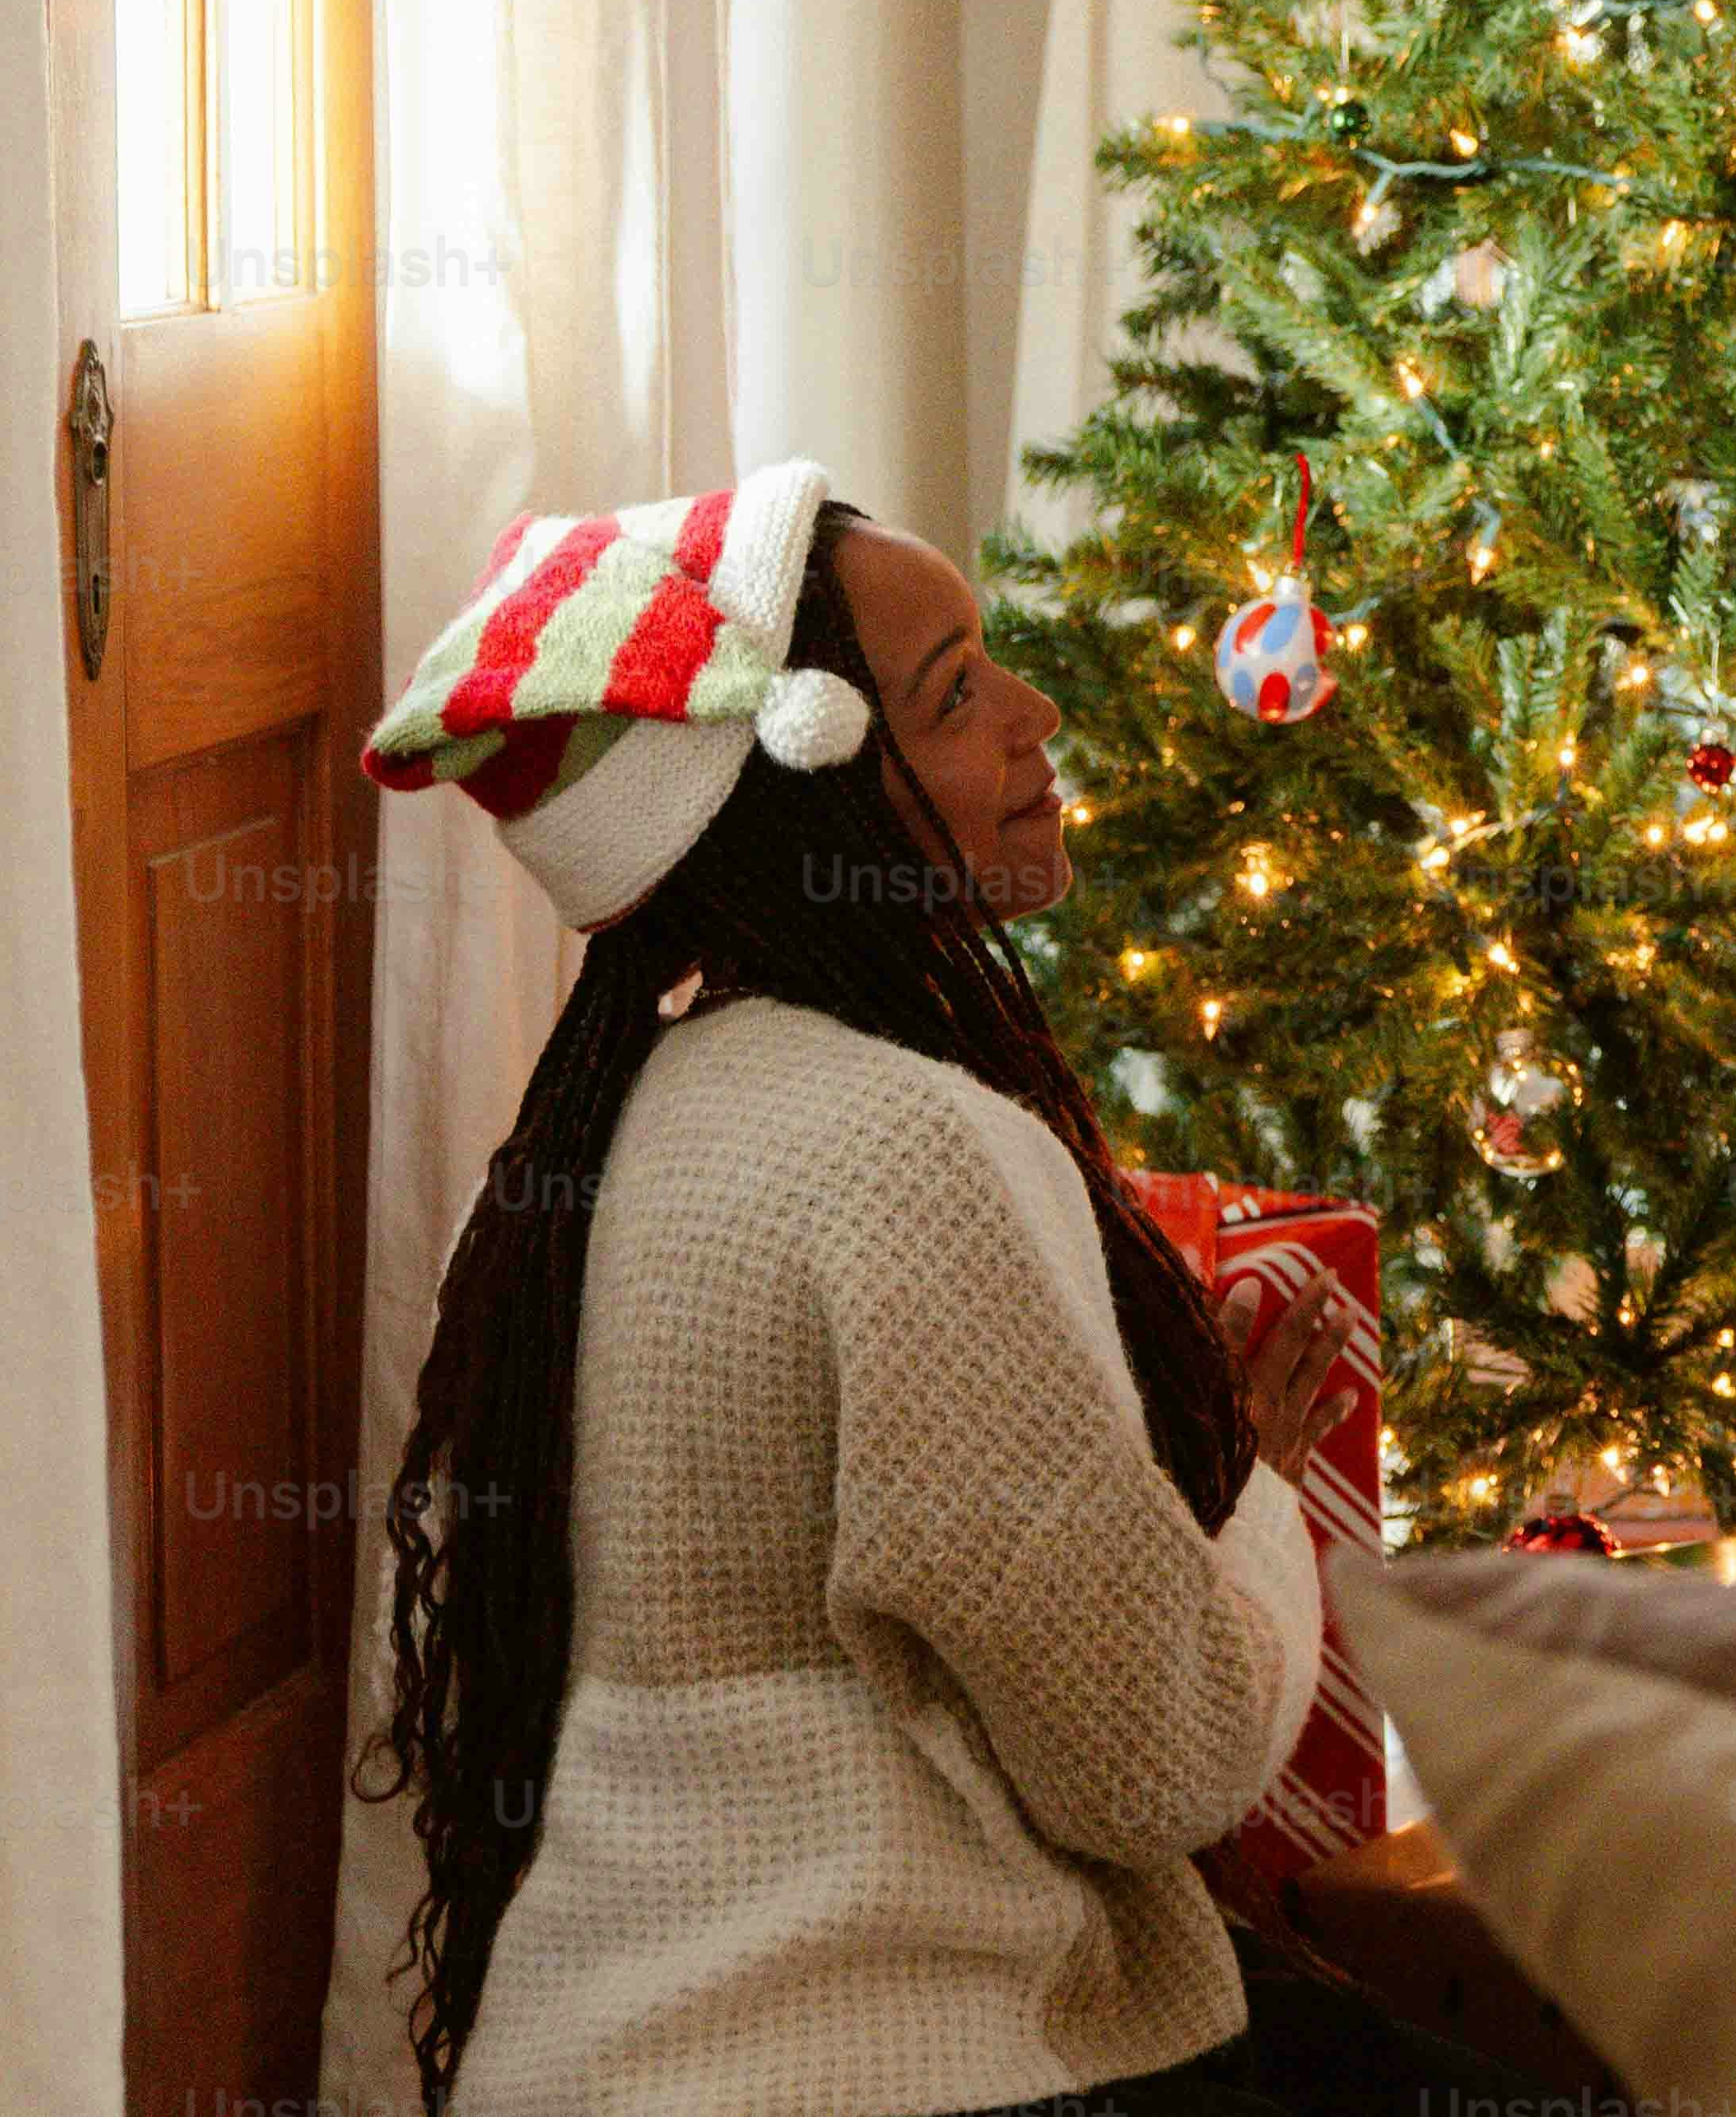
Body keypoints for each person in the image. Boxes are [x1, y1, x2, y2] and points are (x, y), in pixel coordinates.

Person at [360, 459, 1565, 2117]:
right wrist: (1254, 1490)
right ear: (815, 792)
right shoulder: (907, 1150)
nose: (1034, 712)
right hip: (904, 2065)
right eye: (954, 694)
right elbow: (1164, 1761)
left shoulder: (586, 1148)